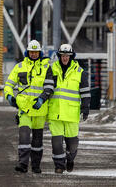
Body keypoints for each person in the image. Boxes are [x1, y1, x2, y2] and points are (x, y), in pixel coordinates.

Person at [3, 39, 52, 173]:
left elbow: (49, 87)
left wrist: (42, 99)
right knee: (24, 137)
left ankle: (36, 166)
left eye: (36, 52)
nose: (34, 54)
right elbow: (8, 85)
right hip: (24, 109)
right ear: (27, 52)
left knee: (37, 141)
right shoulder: (19, 67)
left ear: (40, 52)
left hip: (39, 109)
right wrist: (9, 96)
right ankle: (23, 164)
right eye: (32, 52)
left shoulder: (47, 67)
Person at [43, 43, 91, 174]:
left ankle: (70, 159)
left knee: (72, 144)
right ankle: (59, 166)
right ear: (59, 56)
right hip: (55, 113)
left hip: (71, 113)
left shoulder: (80, 72)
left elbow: (85, 93)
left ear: (71, 57)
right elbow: (46, 89)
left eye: (67, 56)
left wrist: (85, 108)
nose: (65, 58)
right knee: (56, 143)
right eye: (63, 55)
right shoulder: (51, 69)